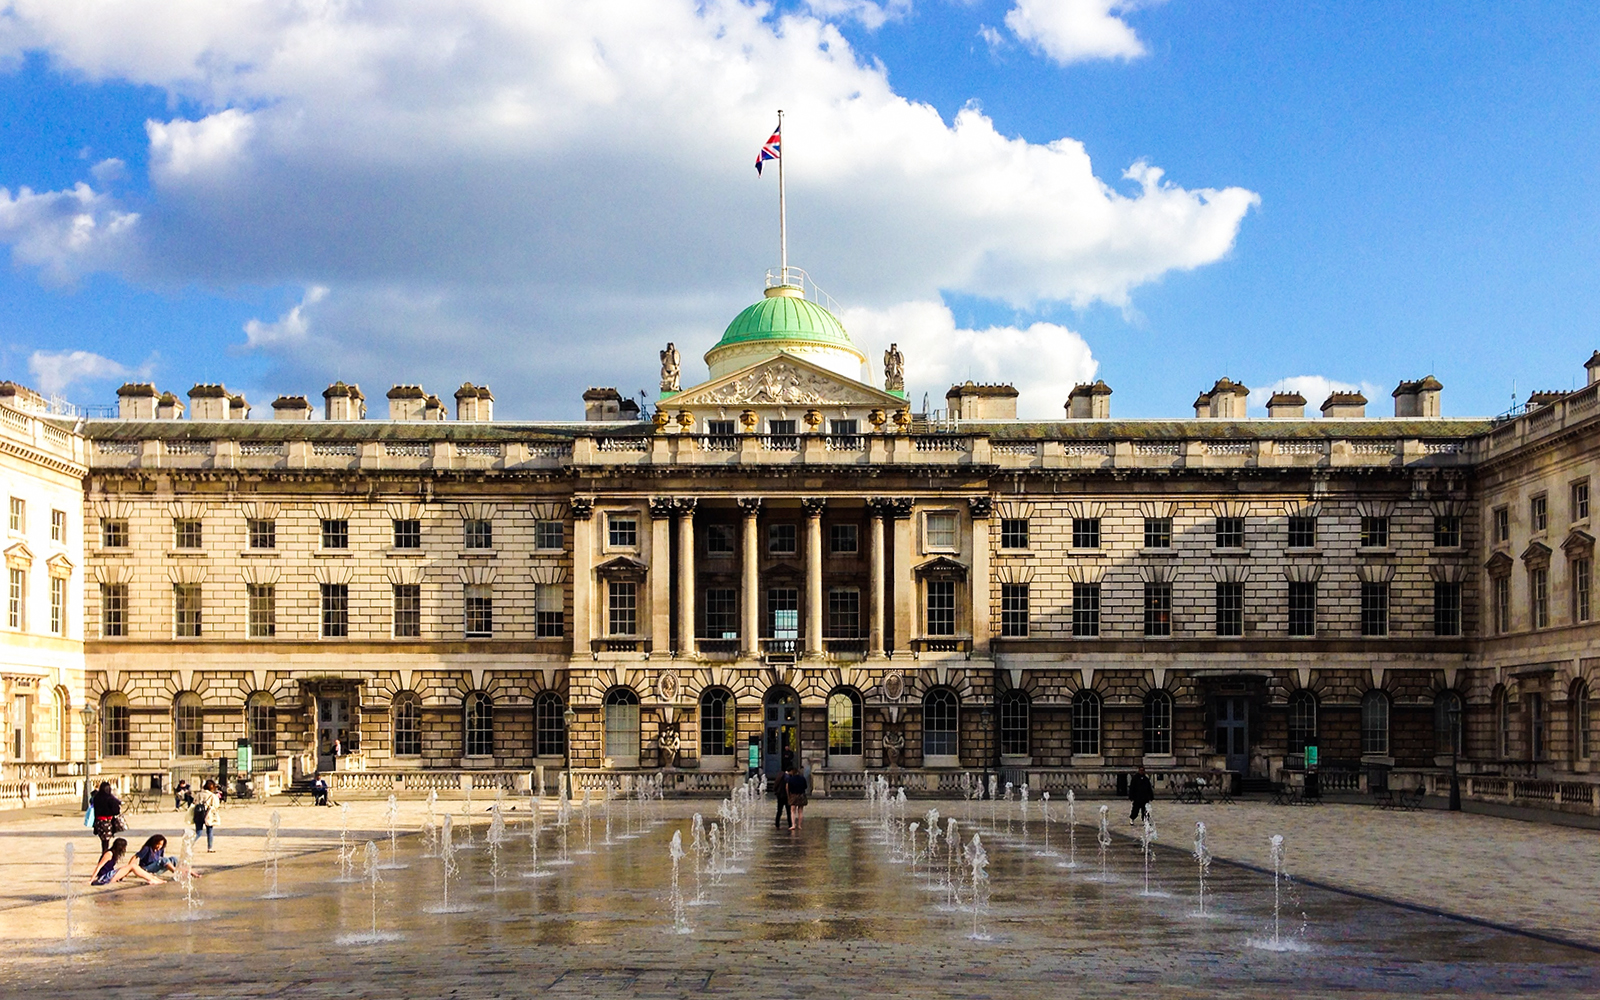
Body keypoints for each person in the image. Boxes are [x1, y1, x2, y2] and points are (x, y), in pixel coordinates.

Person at [91, 838, 164, 887]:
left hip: (110, 875)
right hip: (104, 877)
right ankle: (151, 879)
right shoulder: (109, 854)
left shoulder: (114, 854)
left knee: (133, 866)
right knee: (132, 866)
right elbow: (99, 866)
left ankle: (153, 878)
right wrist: (91, 880)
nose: (124, 849)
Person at [89, 780, 122, 853]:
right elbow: (116, 811)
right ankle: (105, 855)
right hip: (107, 821)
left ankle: (104, 852)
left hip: (98, 822)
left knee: (104, 841)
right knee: (106, 841)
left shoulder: (97, 797)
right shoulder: (110, 798)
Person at [192, 779, 220, 852]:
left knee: (198, 832)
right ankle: (209, 847)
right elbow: (216, 805)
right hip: (208, 813)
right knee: (209, 831)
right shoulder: (212, 795)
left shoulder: (199, 794)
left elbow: (194, 802)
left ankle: (190, 844)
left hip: (198, 813)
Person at [785, 764, 809, 832]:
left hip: (793, 795)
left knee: (793, 811)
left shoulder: (790, 779)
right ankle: (799, 825)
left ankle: (793, 825)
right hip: (801, 795)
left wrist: (789, 795)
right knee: (800, 811)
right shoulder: (802, 778)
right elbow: (805, 787)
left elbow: (788, 787)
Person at [773, 764, 791, 830]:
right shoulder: (787, 777)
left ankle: (777, 824)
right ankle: (790, 824)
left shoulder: (780, 775)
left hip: (779, 795)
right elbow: (787, 786)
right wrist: (789, 795)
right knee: (788, 811)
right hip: (785, 796)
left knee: (779, 811)